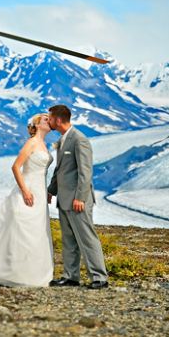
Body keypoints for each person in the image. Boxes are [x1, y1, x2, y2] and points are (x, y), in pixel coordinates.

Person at [0, 113, 55, 287]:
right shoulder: (32, 143)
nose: (50, 121)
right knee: (22, 229)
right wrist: (25, 191)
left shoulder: (43, 144)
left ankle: (31, 274)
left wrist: (46, 191)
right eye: (46, 119)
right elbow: (16, 166)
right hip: (29, 189)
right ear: (37, 124)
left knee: (37, 231)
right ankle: (12, 273)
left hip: (40, 191)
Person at [46, 104, 109, 289]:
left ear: (58, 120)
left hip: (77, 200)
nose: (48, 121)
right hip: (64, 199)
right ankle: (70, 276)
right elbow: (60, 170)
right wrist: (51, 190)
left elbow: (85, 172)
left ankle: (99, 278)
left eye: (50, 118)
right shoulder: (63, 139)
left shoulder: (79, 139)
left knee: (87, 238)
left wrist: (80, 197)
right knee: (69, 240)